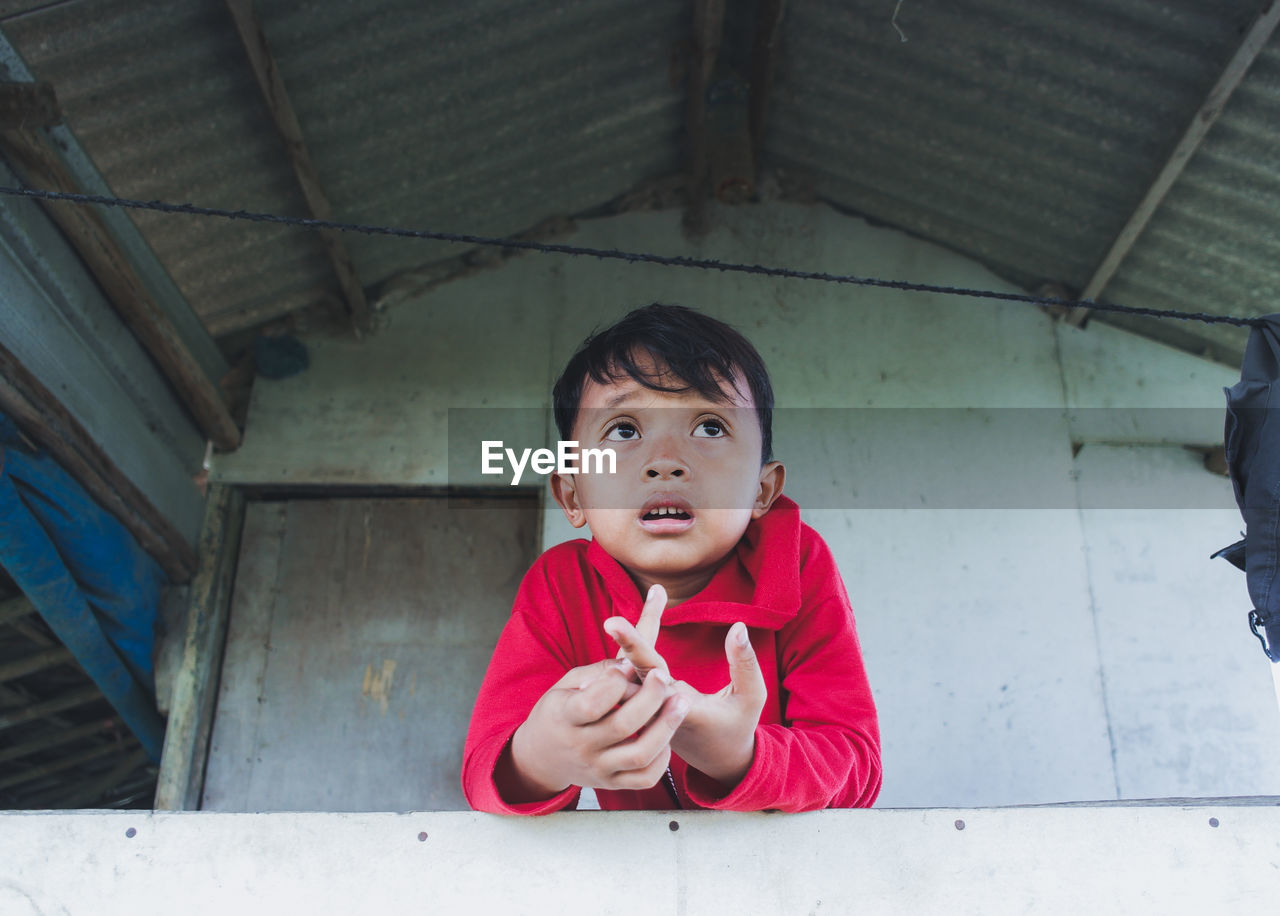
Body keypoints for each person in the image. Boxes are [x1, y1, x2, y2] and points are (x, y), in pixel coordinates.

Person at [461, 304, 881, 813]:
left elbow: (856, 769)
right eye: (623, 430)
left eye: (708, 426)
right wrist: (541, 758)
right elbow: (486, 770)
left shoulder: (797, 565)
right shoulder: (561, 583)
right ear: (573, 496)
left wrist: (740, 757)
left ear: (761, 490)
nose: (665, 462)